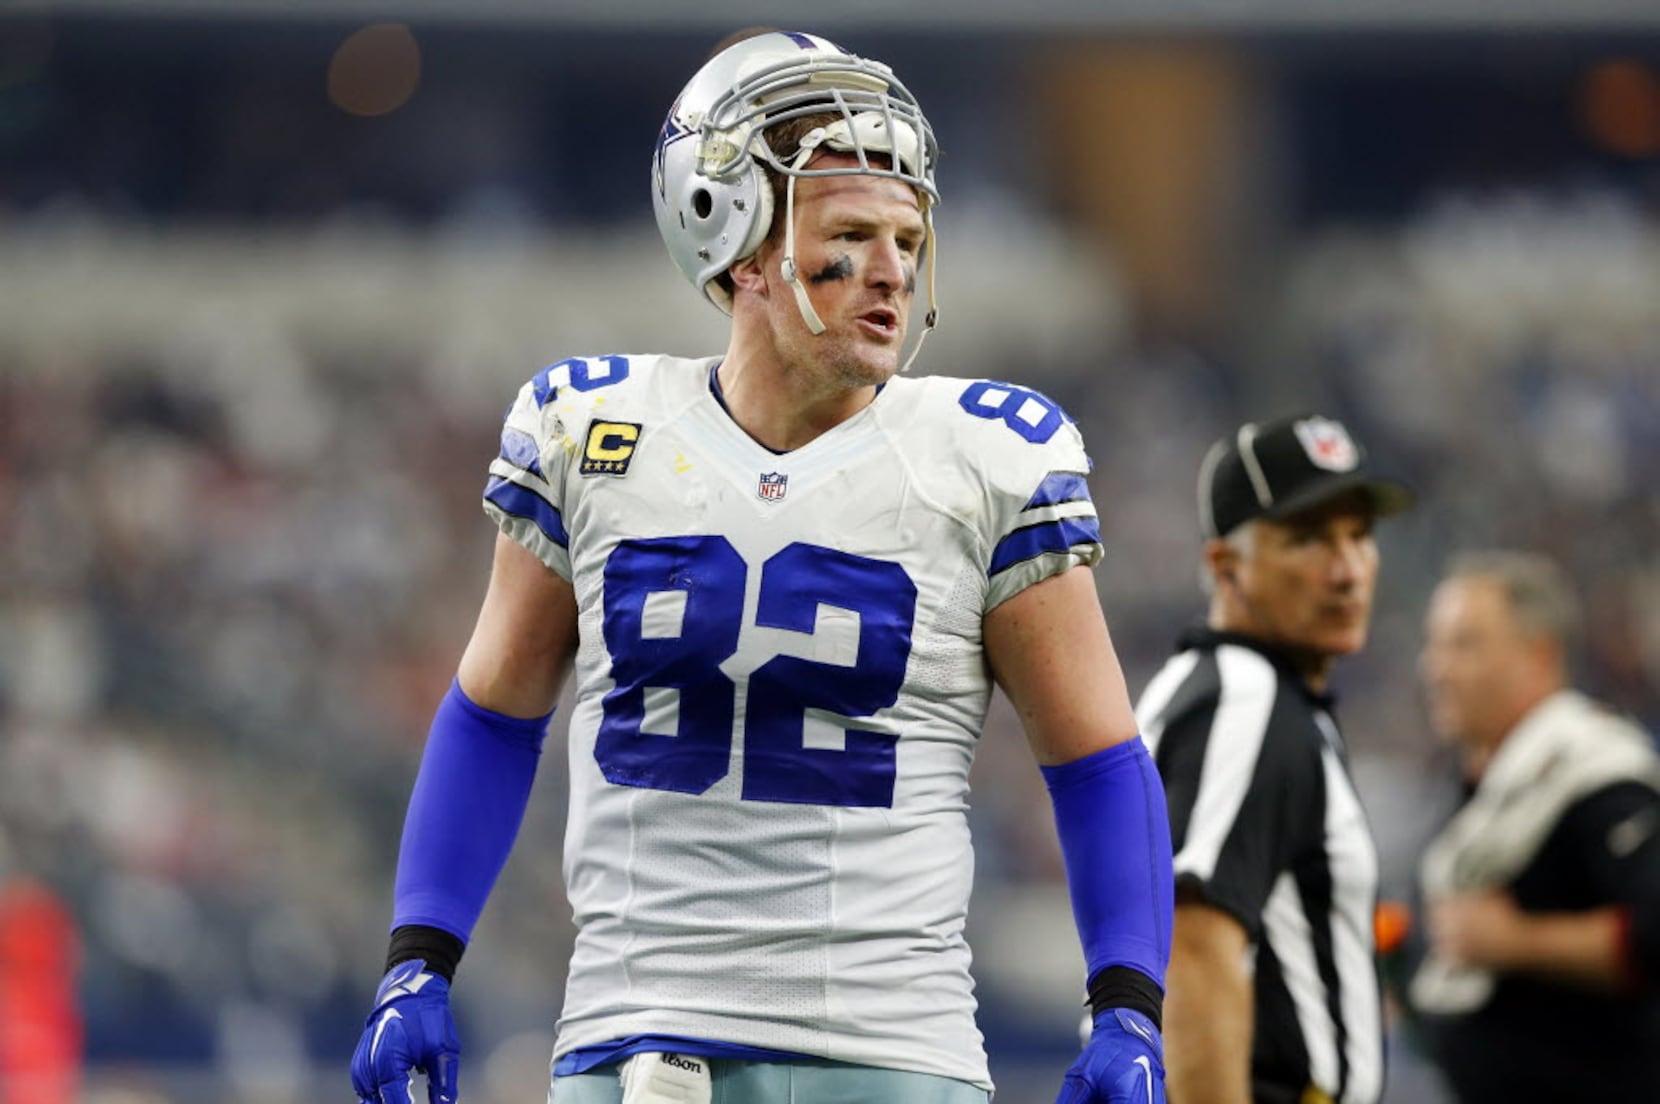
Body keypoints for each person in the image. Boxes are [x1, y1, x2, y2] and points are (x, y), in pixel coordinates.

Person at [348, 29, 1173, 1104]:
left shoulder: (985, 457)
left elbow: (1098, 757)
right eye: (851, 234)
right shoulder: (593, 430)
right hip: (626, 1043)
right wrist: (418, 958)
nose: (891, 270)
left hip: (890, 1051)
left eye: (906, 235)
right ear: (732, 236)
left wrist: (1129, 1005)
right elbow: (493, 713)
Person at [1136, 414, 1412, 1104]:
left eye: (1359, 536)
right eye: (1309, 539)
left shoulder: (1234, 692)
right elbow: (1194, 950)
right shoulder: (1244, 699)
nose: (1348, 570)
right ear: (1226, 566)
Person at [1411, 551, 1660, 1103]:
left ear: (1539, 656)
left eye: (1465, 644)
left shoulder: (1595, 773)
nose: (1436, 667)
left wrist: (1516, 942)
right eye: (1436, 644)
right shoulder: (1482, 781)